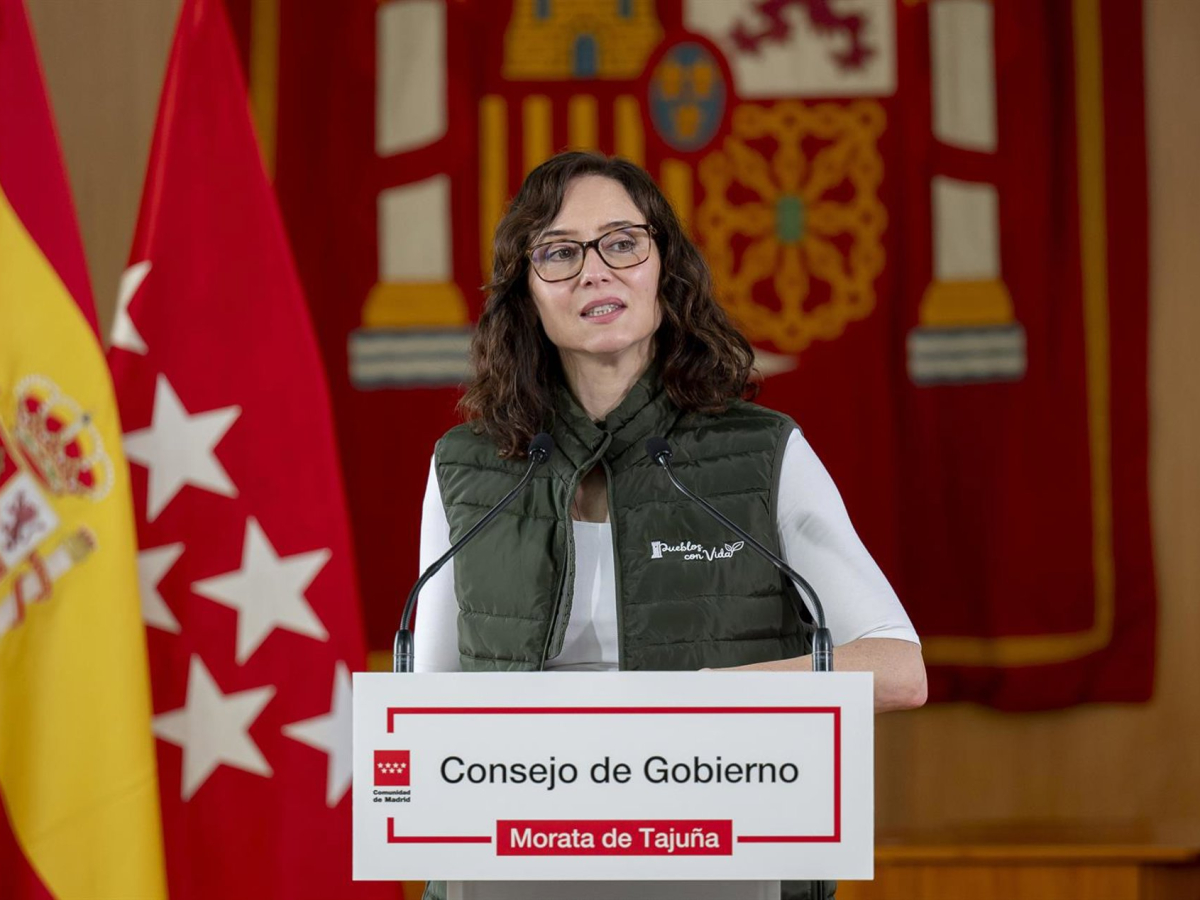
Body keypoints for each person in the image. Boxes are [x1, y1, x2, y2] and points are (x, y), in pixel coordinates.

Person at [414, 151, 925, 900]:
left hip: (723, 858)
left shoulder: (761, 451)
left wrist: (704, 697)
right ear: (525, 292)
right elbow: (430, 705)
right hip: (522, 865)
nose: (595, 272)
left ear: (665, 268)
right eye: (559, 253)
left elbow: (898, 669)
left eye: (622, 243)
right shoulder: (468, 467)